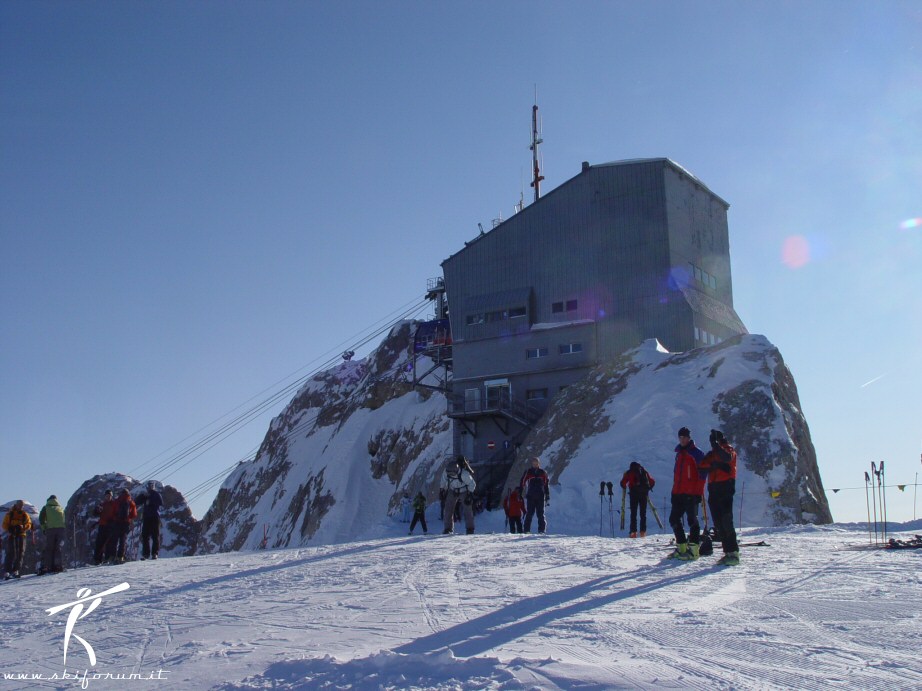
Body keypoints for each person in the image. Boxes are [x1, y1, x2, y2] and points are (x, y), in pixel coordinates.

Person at [699, 429, 740, 565]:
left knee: (726, 519)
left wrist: (716, 452)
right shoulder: (713, 454)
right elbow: (702, 466)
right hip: (714, 487)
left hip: (725, 486)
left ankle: (733, 552)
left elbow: (727, 458)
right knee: (718, 522)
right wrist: (714, 465)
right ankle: (727, 552)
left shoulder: (729, 450)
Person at [668, 427, 705, 560]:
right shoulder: (679, 454)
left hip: (691, 493)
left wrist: (698, 493)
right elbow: (676, 475)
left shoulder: (696, 454)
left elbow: (702, 475)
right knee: (673, 519)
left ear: (689, 438)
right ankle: (682, 547)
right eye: (680, 437)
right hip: (678, 493)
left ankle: (694, 550)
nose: (682, 440)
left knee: (692, 520)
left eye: (684, 437)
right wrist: (674, 491)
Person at [440, 456, 476, 534]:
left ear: (456, 471)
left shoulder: (464, 474)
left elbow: (472, 484)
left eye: (452, 474)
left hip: (464, 491)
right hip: (452, 490)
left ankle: (470, 528)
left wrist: (469, 494)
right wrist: (442, 490)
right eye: (449, 474)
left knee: (467, 509)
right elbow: (443, 480)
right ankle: (448, 528)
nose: (451, 475)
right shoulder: (447, 472)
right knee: (448, 509)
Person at [620, 461, 655, 538]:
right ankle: (643, 532)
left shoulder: (629, 472)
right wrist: (648, 488)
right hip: (644, 494)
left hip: (634, 494)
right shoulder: (643, 471)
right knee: (643, 513)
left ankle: (633, 532)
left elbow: (623, 483)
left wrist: (625, 486)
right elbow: (652, 481)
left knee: (633, 513)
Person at [520, 457, 550, 533]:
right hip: (531, 496)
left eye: (536, 464)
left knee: (540, 514)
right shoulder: (528, 472)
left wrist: (547, 495)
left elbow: (546, 484)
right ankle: (526, 530)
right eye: (533, 464)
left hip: (540, 496)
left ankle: (541, 530)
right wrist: (520, 492)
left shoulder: (543, 472)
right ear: (532, 464)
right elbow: (522, 482)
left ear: (539, 464)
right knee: (529, 513)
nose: (535, 465)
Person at [3, 500, 32, 578]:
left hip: (21, 534)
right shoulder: (10, 514)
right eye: (19, 505)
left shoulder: (24, 514)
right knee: (11, 552)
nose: (21, 507)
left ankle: (16, 570)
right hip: (12, 535)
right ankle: (7, 571)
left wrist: (23, 527)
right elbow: (4, 524)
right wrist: (10, 529)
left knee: (20, 552)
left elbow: (29, 524)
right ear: (16, 505)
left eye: (22, 505)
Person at [39, 495, 66, 573]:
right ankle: (58, 565)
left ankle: (47, 566)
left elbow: (41, 519)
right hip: (61, 529)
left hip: (50, 529)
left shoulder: (46, 508)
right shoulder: (60, 508)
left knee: (49, 548)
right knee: (58, 548)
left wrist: (44, 528)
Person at [136, 481, 164, 560]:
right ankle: (146, 554)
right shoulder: (145, 495)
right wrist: (143, 496)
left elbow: (160, 502)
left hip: (155, 517)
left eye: (152, 486)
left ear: (154, 486)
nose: (150, 487)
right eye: (149, 486)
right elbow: (136, 502)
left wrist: (150, 501)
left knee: (155, 536)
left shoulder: (156, 494)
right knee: (145, 536)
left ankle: (154, 553)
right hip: (146, 517)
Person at [111, 488, 138, 563]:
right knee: (123, 540)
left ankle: (113, 556)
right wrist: (129, 518)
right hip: (126, 523)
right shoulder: (130, 502)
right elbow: (134, 514)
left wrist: (115, 518)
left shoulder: (117, 501)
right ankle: (120, 556)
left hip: (117, 522)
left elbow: (112, 512)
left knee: (115, 539)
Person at [92, 489, 117, 565]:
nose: (108, 497)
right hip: (102, 525)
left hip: (111, 525)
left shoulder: (114, 504)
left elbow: (117, 513)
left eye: (109, 495)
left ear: (111, 496)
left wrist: (113, 520)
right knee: (99, 542)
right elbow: (96, 514)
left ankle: (107, 558)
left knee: (109, 542)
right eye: (107, 496)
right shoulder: (102, 504)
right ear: (105, 496)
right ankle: (97, 560)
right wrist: (96, 511)